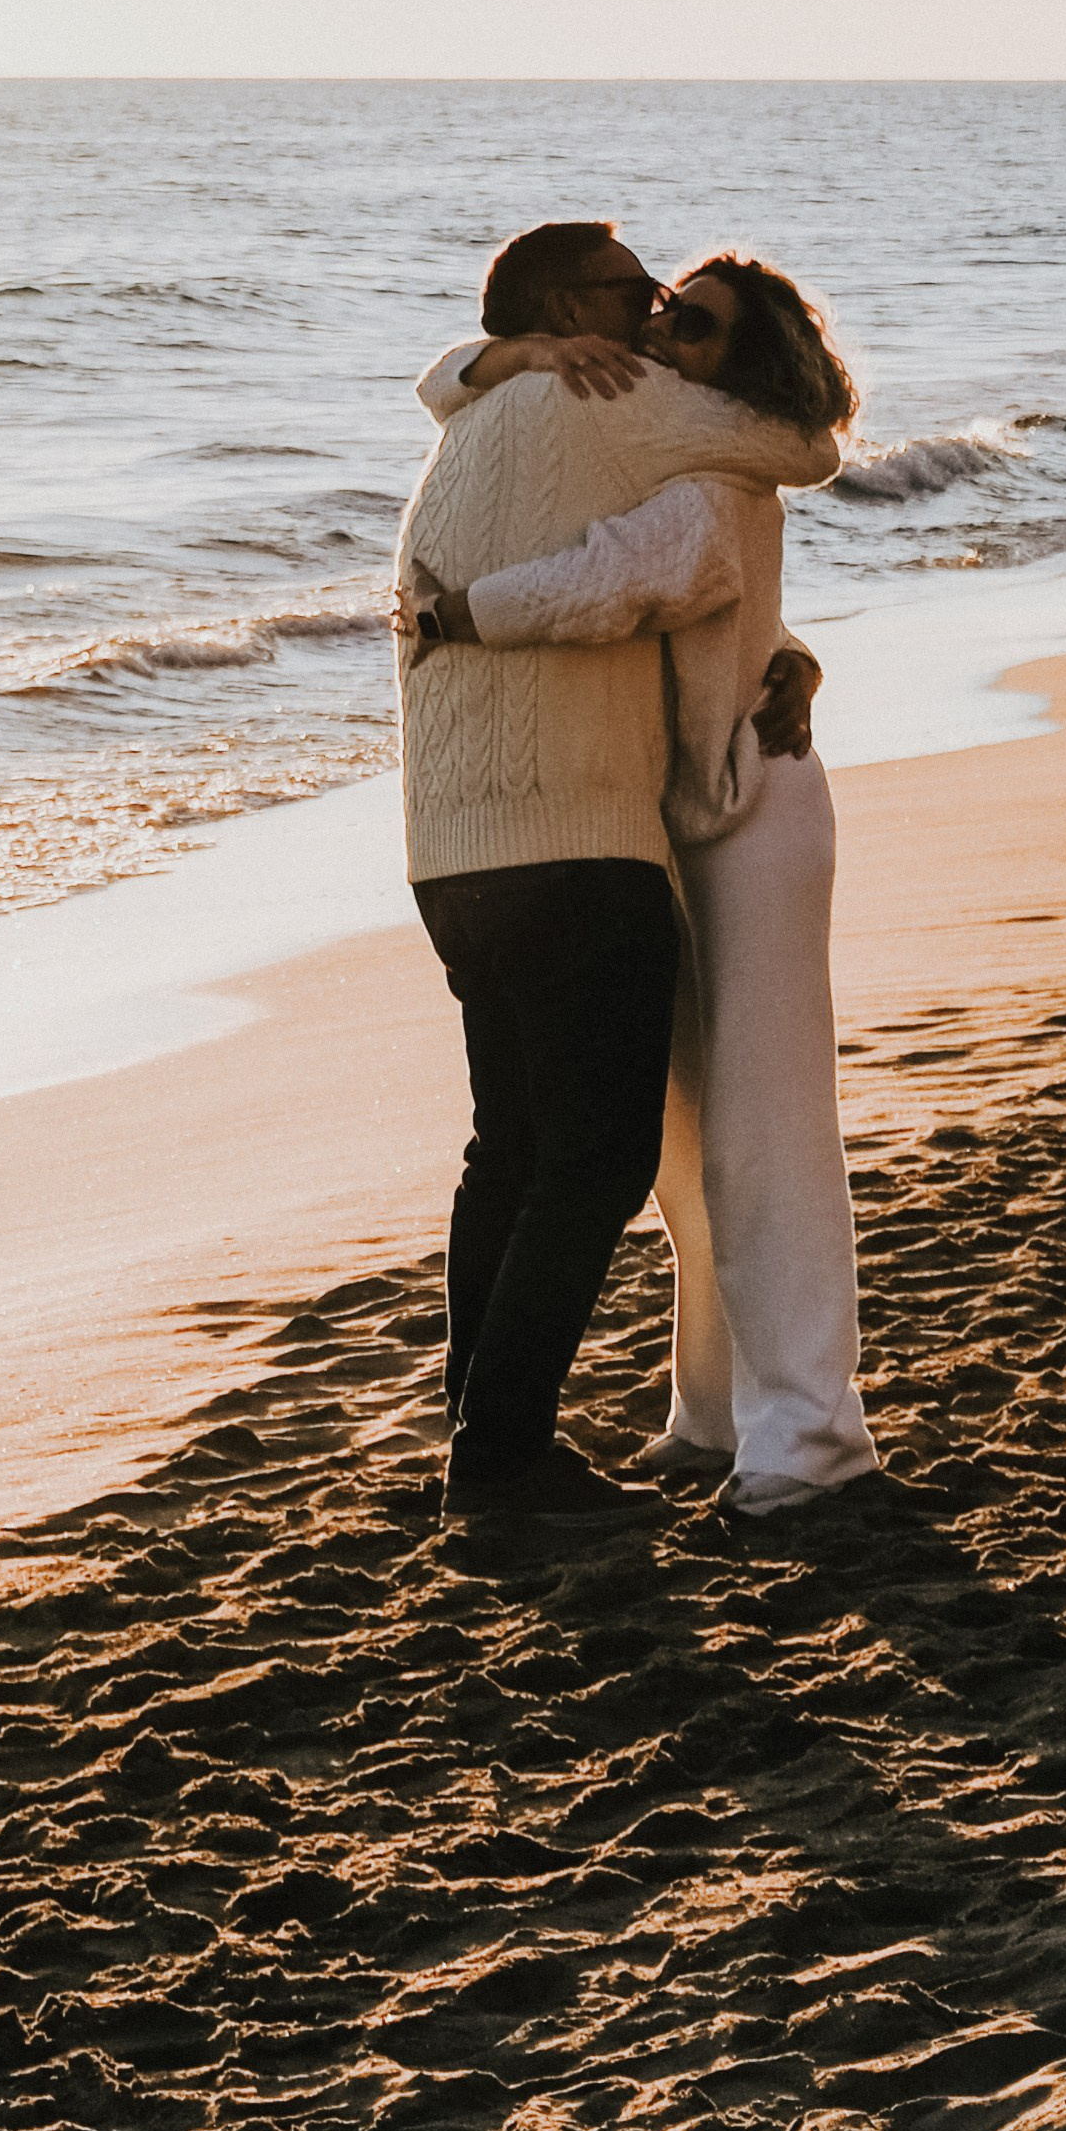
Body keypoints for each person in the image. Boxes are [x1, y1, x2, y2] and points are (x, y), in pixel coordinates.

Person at [404, 255, 873, 1519]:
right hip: (665, 825)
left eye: (693, 319)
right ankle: (705, 1411)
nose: (659, 321)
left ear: (745, 360)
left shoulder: (696, 456)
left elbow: (628, 577)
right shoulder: (641, 426)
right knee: (671, 1144)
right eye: (651, 302)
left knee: (750, 1137)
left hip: (744, 818)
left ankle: (802, 1441)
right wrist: (505, 356)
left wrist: (468, 614)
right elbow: (705, 598)